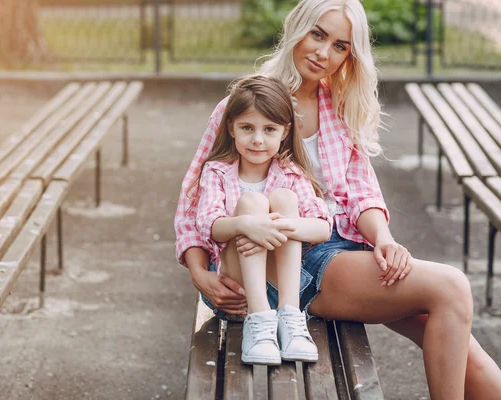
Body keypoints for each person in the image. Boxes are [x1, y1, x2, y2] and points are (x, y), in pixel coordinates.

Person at [174, 0, 501, 398]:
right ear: (297, 28)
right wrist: (199, 273)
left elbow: (362, 193)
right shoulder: (245, 105)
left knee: (463, 345)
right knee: (451, 287)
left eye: (340, 45)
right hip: (277, 260)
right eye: (317, 34)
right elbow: (194, 197)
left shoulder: (337, 106)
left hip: (337, 248)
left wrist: (382, 238)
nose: (323, 53)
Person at [191, 74, 332, 365]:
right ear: (231, 127)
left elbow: (322, 227)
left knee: (285, 200)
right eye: (247, 128)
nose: (257, 139)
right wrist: (247, 223)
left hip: (283, 289)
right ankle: (258, 323)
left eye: (269, 129)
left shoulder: (291, 173)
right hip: (237, 293)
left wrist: (277, 226)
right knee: (252, 203)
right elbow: (209, 226)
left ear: (284, 132)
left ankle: (290, 320)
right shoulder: (217, 171)